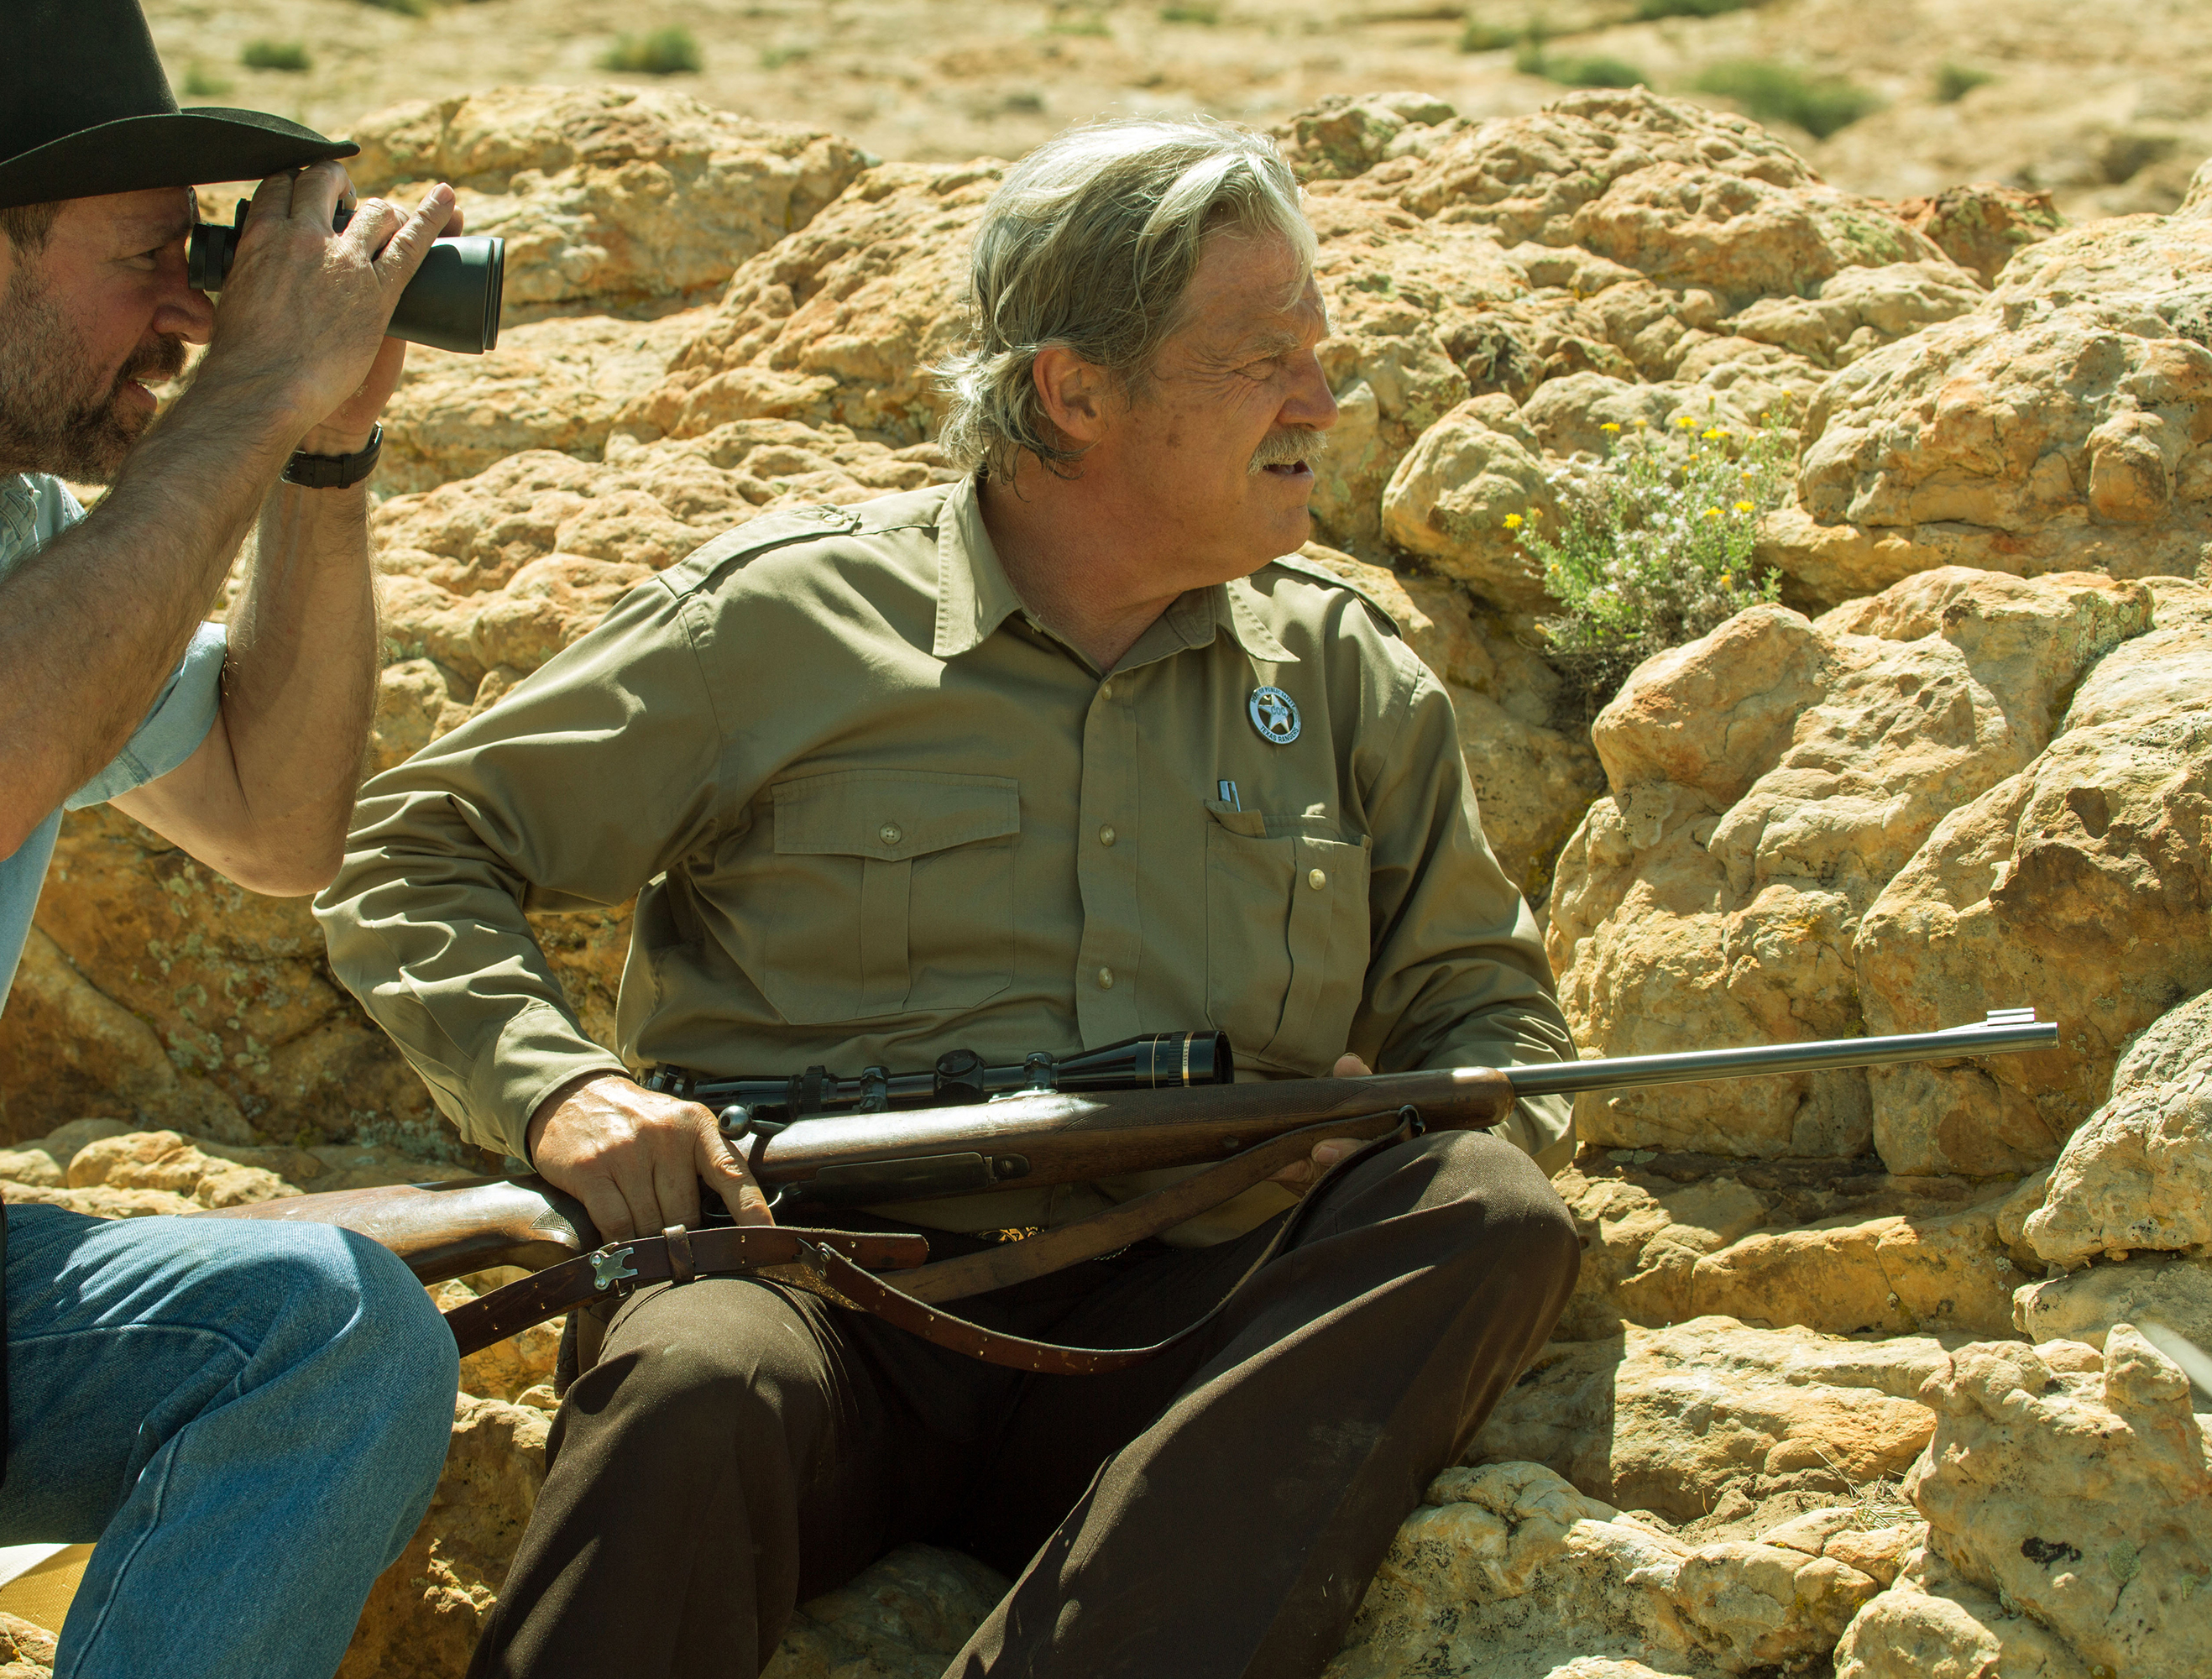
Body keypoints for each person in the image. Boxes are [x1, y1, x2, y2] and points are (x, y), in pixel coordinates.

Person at [319, 115, 1582, 1679]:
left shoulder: (1338, 669)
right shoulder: (779, 625)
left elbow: (1493, 1018)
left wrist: (1407, 1115)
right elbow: (413, 847)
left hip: (1184, 1324)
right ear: (1075, 391)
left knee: (1484, 1211)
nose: (1323, 402)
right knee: (691, 1384)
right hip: (810, 1289)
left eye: (1319, 353)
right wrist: (561, 1090)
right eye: (1264, 359)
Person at [0, 2, 465, 1671]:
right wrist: (248, 390)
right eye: (151, 257)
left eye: (210, 268)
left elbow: (279, 823)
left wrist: (319, 451)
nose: (194, 310)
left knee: (337, 1336)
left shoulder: (26, 538)